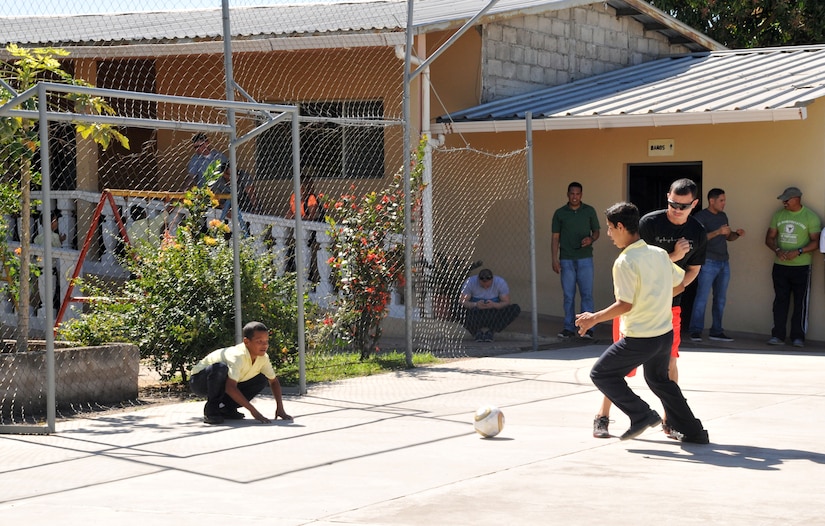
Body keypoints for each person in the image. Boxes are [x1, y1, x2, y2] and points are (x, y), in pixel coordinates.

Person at [577, 202, 709, 444]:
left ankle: (641, 415)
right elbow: (679, 285)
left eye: (609, 228)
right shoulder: (658, 253)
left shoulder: (625, 261)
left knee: (601, 374)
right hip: (664, 335)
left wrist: (593, 318)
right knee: (660, 380)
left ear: (620, 226)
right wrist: (655, 296)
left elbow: (625, 304)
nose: (608, 234)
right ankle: (695, 432)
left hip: (641, 338)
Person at [189, 321, 293, 425]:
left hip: (223, 385)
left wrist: (280, 408)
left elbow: (273, 381)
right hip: (199, 381)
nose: (264, 345)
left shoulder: (263, 358)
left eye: (266, 341)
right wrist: (254, 412)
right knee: (220, 368)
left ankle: (227, 409)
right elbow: (230, 387)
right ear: (246, 342)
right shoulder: (237, 356)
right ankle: (211, 411)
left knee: (262, 378)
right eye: (259, 341)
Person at [764, 186, 821, 348]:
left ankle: (798, 337)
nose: (784, 202)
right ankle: (778, 335)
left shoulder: (810, 217)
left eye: (787, 200)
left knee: (800, 303)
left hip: (802, 267)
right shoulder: (778, 215)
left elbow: (816, 242)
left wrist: (799, 251)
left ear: (797, 199)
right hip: (780, 266)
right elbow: (769, 238)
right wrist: (777, 250)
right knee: (780, 301)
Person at [688, 188, 745, 342]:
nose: (724, 203)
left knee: (720, 298)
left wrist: (736, 234)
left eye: (724, 200)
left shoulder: (723, 216)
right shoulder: (700, 217)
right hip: (708, 262)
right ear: (711, 201)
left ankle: (717, 331)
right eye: (721, 200)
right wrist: (718, 232)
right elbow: (698, 239)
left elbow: (728, 237)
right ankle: (695, 330)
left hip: (724, 262)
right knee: (702, 297)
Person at [551, 182, 600, 339]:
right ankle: (568, 328)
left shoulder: (589, 211)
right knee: (568, 296)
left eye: (577, 194)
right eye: (572, 193)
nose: (574, 196)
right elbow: (555, 237)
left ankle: (588, 328)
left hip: (585, 258)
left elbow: (597, 231)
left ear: (581, 195)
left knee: (586, 294)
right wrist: (554, 258)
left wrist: (591, 239)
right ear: (568, 194)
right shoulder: (560, 213)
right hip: (566, 259)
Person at [460, 268, 521, 342]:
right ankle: (476, 333)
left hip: (493, 313)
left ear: (492, 280)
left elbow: (506, 302)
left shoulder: (500, 283)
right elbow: (462, 301)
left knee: (515, 308)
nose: (485, 287)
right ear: (478, 280)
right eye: (483, 285)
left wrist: (494, 305)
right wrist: (476, 304)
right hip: (475, 313)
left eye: (488, 286)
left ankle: (491, 331)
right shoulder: (470, 282)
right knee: (456, 309)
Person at [210, 162, 256, 236]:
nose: (233, 177)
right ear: (223, 174)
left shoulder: (243, 176)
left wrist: (256, 208)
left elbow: (251, 194)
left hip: (242, 201)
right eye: (229, 175)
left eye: (235, 174)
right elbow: (214, 200)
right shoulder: (217, 181)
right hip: (224, 204)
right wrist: (225, 209)